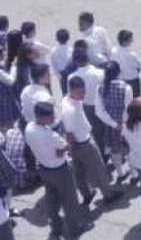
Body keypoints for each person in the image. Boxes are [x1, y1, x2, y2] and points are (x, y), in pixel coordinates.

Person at [26, 101, 93, 238]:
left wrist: (59, 150)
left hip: (44, 169)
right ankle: (75, 229)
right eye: (51, 116)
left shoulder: (29, 128)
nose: (53, 119)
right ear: (43, 117)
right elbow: (66, 147)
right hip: (60, 171)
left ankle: (56, 227)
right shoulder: (50, 135)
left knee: (51, 201)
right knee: (70, 201)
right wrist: (64, 147)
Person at [61, 75, 123, 206]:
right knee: (99, 169)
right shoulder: (69, 110)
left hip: (79, 143)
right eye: (79, 92)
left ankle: (87, 194)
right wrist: (71, 150)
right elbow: (70, 133)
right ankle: (108, 194)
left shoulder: (68, 100)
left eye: (83, 91)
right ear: (71, 90)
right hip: (83, 144)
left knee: (79, 172)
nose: (83, 95)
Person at [95, 61, 133, 184]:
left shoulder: (100, 88)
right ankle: (134, 173)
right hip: (125, 125)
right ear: (118, 72)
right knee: (129, 150)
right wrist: (122, 123)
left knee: (114, 150)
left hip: (110, 126)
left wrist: (113, 124)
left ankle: (120, 173)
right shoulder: (126, 88)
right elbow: (128, 108)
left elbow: (99, 111)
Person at [67, 47, 106, 156]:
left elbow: (70, 95)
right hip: (101, 105)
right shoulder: (100, 73)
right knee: (105, 129)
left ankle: (101, 153)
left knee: (94, 132)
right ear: (88, 59)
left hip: (85, 107)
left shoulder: (72, 77)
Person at [111, 29, 141, 98]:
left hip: (120, 80)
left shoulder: (113, 51)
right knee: (135, 101)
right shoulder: (131, 54)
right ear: (125, 41)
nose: (132, 41)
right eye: (130, 39)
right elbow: (140, 66)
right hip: (132, 81)